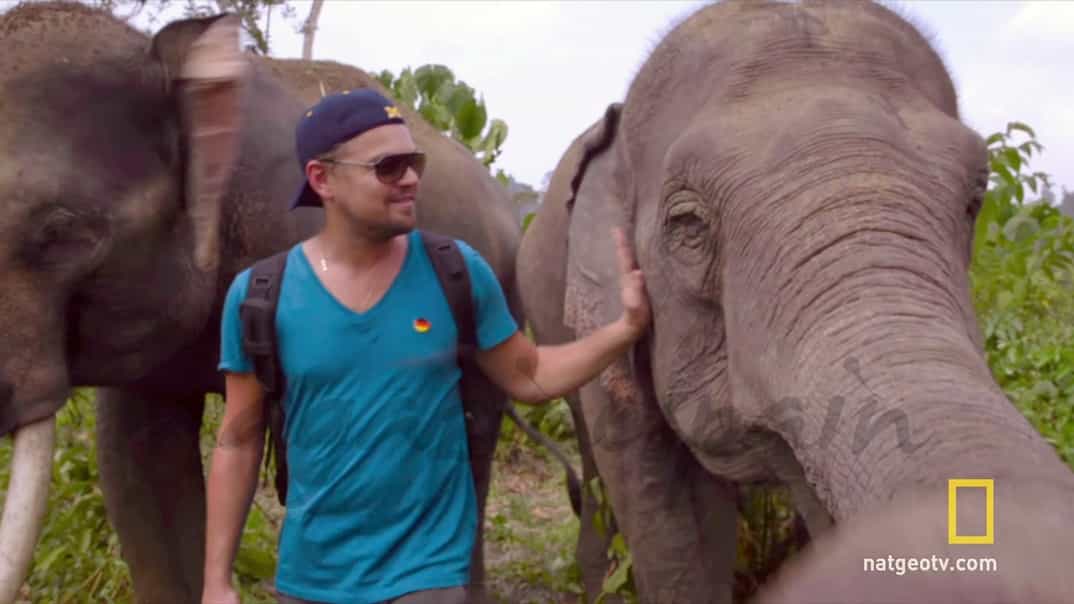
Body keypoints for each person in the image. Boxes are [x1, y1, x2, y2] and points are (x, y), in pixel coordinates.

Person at [201, 88, 650, 604]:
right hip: (310, 577)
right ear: (322, 179)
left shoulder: (454, 271)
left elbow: (529, 375)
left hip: (428, 571)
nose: (411, 178)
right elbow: (236, 441)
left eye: (413, 162)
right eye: (388, 166)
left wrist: (624, 329)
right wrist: (216, 581)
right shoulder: (261, 295)